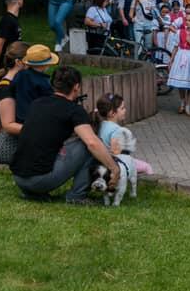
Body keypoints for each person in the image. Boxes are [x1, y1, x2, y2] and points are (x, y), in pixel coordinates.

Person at [10, 66, 118, 204]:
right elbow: (92, 143)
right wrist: (114, 168)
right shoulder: (74, 110)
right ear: (76, 87)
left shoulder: (37, 103)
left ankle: (34, 194)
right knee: (89, 145)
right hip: (39, 181)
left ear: (53, 84)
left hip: (19, 177)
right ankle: (77, 196)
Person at [93, 93, 153, 175]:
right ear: (112, 113)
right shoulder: (117, 130)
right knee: (147, 167)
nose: (125, 110)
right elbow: (117, 154)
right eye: (122, 108)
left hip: (103, 161)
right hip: (116, 164)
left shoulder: (100, 125)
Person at [0, 42, 27, 164]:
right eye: (30, 61)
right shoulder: (6, 89)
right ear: (19, 62)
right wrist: (38, 129)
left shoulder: (13, 85)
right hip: (3, 146)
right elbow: (8, 125)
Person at [167, 12, 190, 115]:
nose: (188, 22)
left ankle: (188, 106)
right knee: (181, 83)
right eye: (186, 20)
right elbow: (175, 46)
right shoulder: (179, 32)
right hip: (180, 56)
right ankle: (182, 103)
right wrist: (171, 59)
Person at [12, 44, 57, 124]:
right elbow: (50, 101)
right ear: (46, 65)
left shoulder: (20, 74)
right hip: (36, 119)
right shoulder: (43, 82)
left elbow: (13, 87)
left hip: (18, 116)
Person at [0, 0, 23, 80]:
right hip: (4, 65)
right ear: (19, 1)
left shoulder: (13, 20)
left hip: (13, 64)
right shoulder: (7, 21)